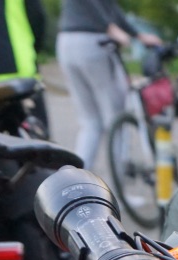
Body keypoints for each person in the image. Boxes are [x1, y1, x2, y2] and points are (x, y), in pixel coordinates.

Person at [56, 0, 162, 169]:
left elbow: (110, 7)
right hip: (93, 42)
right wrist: (111, 29)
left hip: (66, 42)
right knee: (115, 119)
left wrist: (136, 35)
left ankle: (79, 181)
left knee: (90, 122)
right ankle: (120, 185)